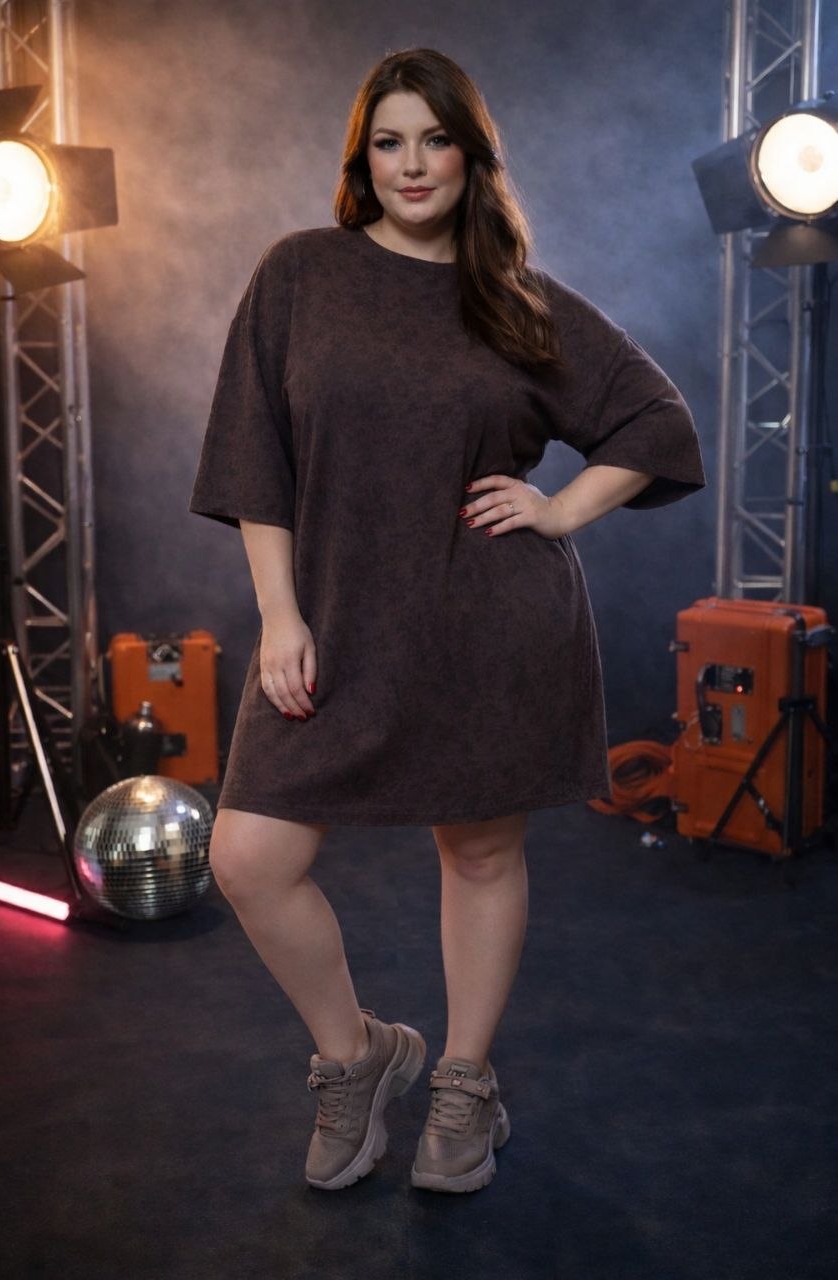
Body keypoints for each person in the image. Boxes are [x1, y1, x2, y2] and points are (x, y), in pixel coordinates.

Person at [188, 47, 706, 1195]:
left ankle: (464, 1080)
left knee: (477, 851)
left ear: (471, 158)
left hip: (487, 625)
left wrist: (559, 507)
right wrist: (279, 614)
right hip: (333, 620)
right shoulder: (299, 275)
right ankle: (358, 1054)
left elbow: (653, 421)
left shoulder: (514, 298)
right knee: (249, 856)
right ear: (361, 160)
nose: (411, 164)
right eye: (389, 142)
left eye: (435, 140)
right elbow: (252, 458)